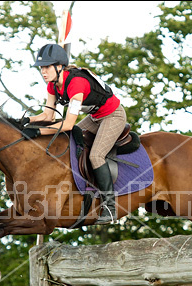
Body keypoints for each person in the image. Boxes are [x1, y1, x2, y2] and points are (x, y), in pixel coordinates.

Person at [22, 43, 126, 224]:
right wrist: (26, 121)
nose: (43, 72)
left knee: (96, 155)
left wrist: (38, 131)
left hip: (113, 115)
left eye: (46, 67)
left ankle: (110, 208)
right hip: (95, 117)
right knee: (69, 142)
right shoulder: (52, 86)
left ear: (59, 66)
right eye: (41, 68)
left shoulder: (77, 83)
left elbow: (68, 124)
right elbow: (48, 115)